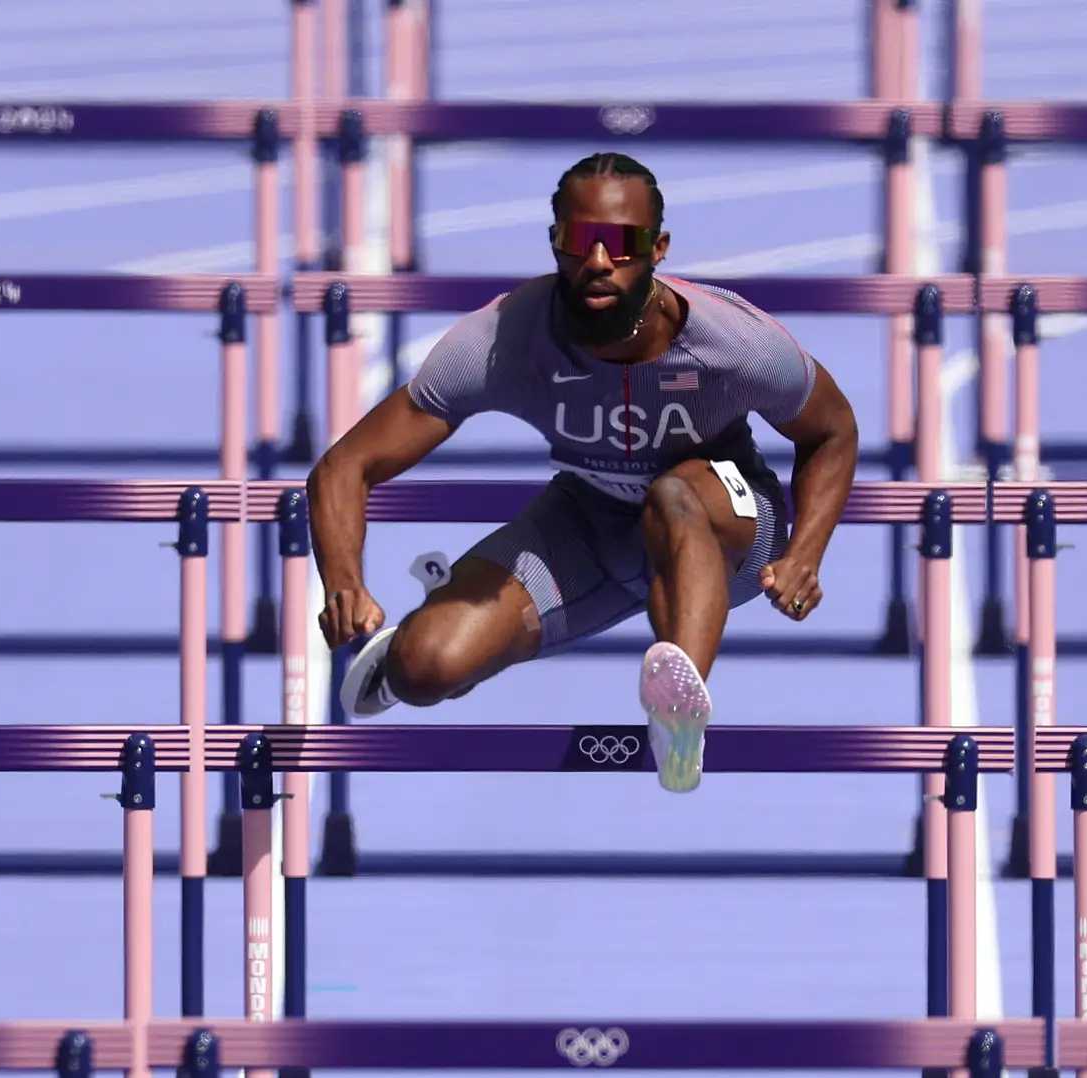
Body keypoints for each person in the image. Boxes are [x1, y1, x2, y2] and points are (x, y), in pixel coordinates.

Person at [307, 149, 861, 793]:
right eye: (580, 241)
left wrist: (806, 553)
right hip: (587, 527)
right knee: (424, 668)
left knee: (673, 495)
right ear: (555, 245)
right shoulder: (503, 340)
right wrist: (343, 581)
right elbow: (345, 465)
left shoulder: (735, 342)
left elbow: (832, 429)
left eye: (621, 244)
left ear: (658, 249)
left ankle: (679, 716)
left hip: (721, 521)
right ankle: (420, 649)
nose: (598, 261)